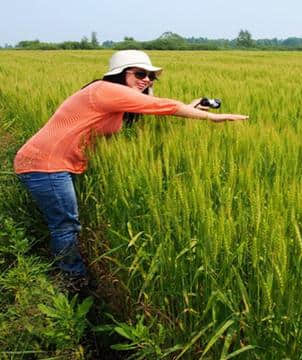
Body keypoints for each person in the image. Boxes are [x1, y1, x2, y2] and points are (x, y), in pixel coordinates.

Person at [13, 50, 248, 289]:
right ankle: (72, 280)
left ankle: (69, 275)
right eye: (139, 73)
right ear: (120, 74)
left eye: (151, 76)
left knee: (65, 223)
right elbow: (159, 105)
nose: (146, 79)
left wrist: (191, 109)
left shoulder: (114, 98)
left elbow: (155, 107)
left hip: (53, 163)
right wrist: (212, 119)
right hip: (45, 163)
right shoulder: (105, 90)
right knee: (65, 225)